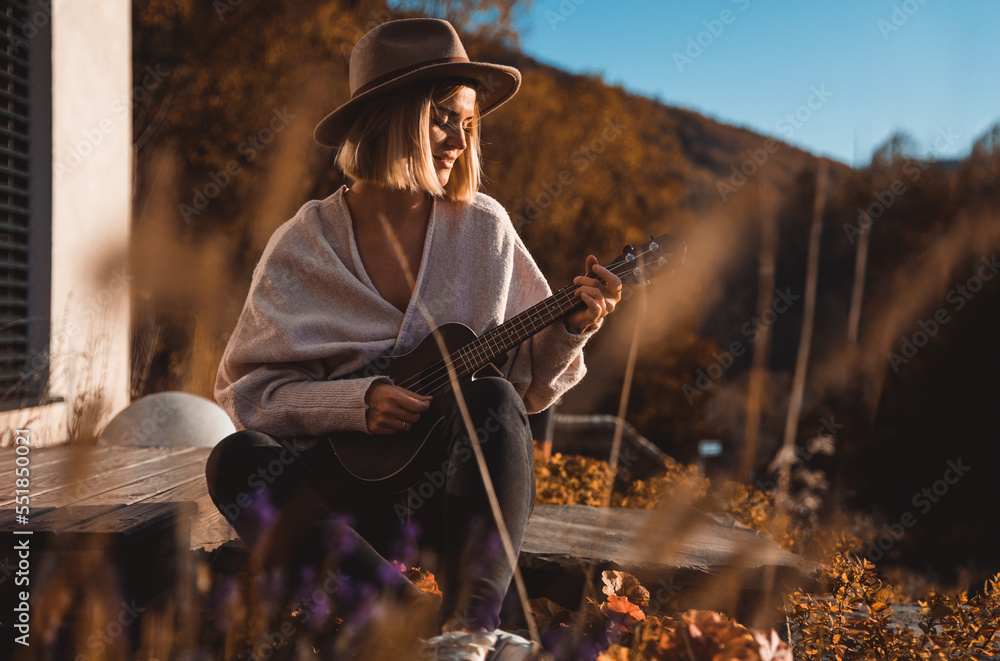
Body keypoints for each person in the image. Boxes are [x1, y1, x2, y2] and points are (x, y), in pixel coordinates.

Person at [205, 18, 622, 661]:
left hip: (447, 498)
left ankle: (469, 629)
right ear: (389, 118)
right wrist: (354, 402)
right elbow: (247, 393)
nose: (460, 137)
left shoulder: (483, 228)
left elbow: (529, 385)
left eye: (468, 121)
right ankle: (418, 621)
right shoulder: (302, 245)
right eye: (442, 117)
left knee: (493, 401)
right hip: (339, 496)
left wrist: (571, 328)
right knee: (234, 460)